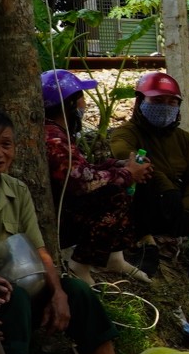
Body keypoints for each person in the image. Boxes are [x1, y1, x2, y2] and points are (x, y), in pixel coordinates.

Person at [0, 107, 128, 354]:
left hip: (15, 291)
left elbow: (39, 249)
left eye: (6, 144)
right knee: (14, 296)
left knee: (77, 291)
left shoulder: (17, 190)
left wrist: (58, 292)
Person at [40, 70, 151, 278]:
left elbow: (83, 170)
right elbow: (80, 182)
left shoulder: (57, 132)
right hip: (59, 219)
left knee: (119, 184)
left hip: (64, 209)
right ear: (71, 104)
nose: (84, 104)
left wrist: (118, 165)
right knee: (115, 192)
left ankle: (114, 259)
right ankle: (79, 266)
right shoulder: (53, 139)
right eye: (81, 98)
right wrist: (126, 173)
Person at [107, 71, 189, 242]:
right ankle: (146, 246)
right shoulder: (125, 133)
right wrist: (167, 189)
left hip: (181, 209)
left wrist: (187, 209)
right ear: (140, 102)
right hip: (150, 206)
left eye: (172, 102)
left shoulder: (182, 137)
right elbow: (129, 158)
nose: (165, 107)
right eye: (157, 101)